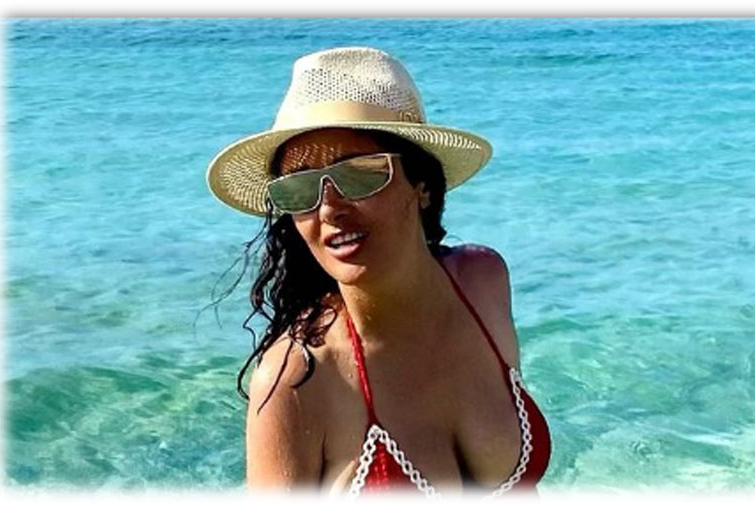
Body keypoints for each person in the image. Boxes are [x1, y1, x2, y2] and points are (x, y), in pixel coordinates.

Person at [206, 46, 551, 497]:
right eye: (300, 188)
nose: (328, 208)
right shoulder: (297, 380)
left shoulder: (482, 281)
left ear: (423, 186)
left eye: (359, 174)